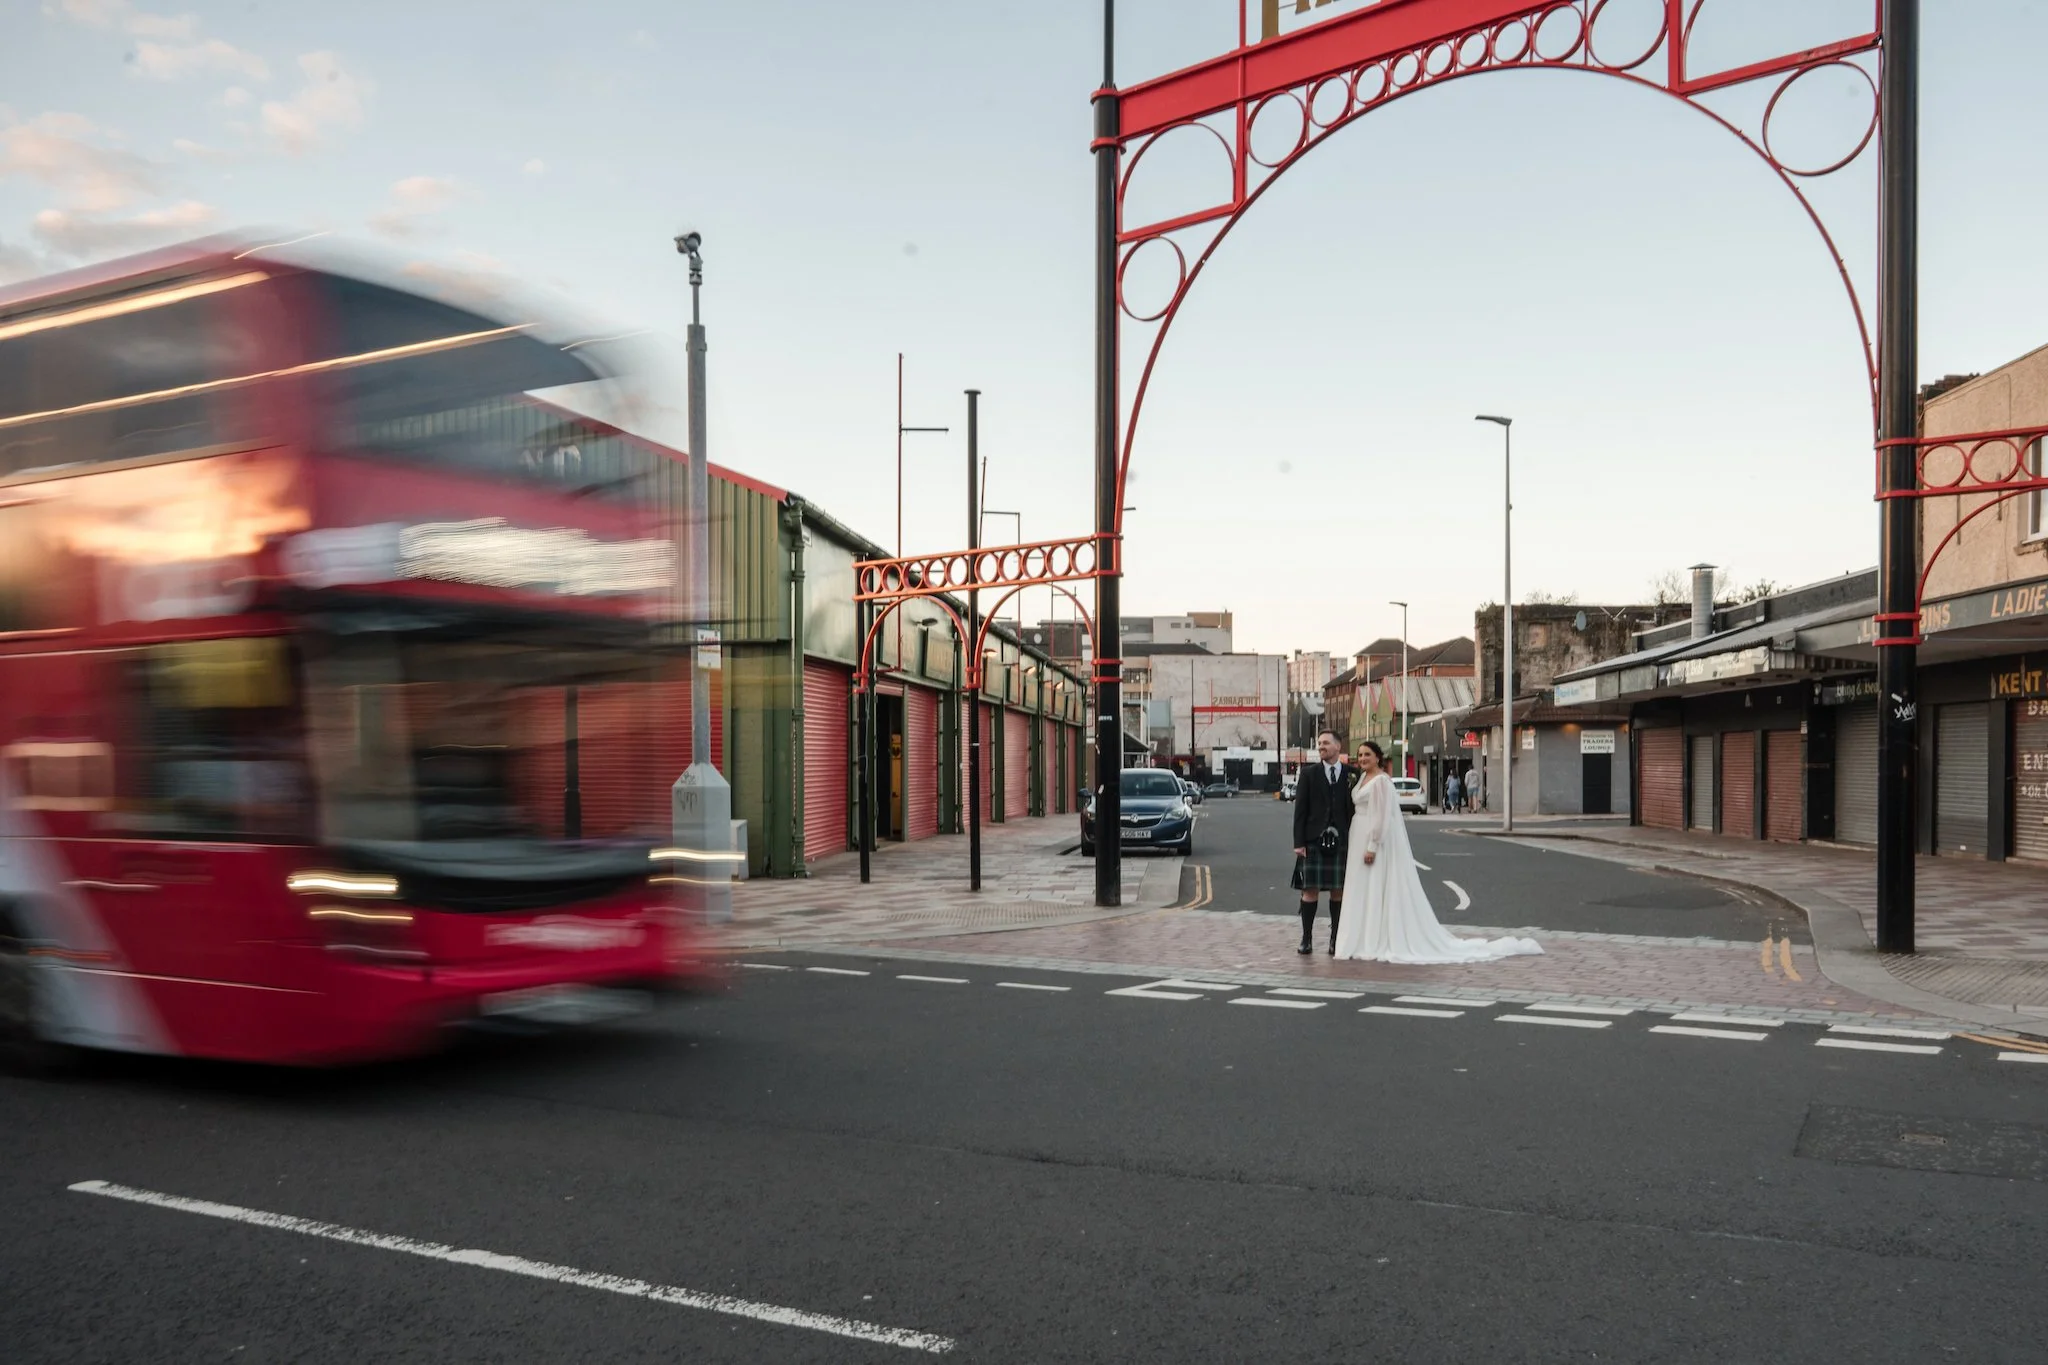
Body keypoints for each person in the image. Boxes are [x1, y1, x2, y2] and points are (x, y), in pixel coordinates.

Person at [1333, 741, 1542, 963]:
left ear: (1377, 757)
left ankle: (1373, 938)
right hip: (1357, 835)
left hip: (1371, 839)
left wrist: (1372, 846)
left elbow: (1382, 817)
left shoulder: (1382, 782)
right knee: (1361, 887)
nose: (1363, 758)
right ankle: (1362, 936)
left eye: (1368, 754)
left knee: (1375, 884)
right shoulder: (1362, 779)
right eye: (1360, 755)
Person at [1290, 729, 1355, 956]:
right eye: (1319, 743)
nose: (1321, 747)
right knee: (1310, 890)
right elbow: (1300, 811)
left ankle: (1334, 940)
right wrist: (1299, 842)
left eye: (1325, 743)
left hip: (1343, 841)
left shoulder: (1351, 774)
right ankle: (1306, 939)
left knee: (1339, 891)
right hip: (1314, 840)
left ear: (1338, 746)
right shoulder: (1309, 774)